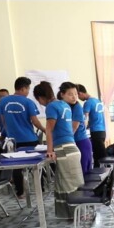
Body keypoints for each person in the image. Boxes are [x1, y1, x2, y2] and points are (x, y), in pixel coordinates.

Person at [36, 81, 84, 219]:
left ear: (41, 97)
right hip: (71, 149)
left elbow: (49, 129)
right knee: (66, 183)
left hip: (64, 150)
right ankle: (72, 215)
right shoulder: (64, 105)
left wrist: (49, 150)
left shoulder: (51, 106)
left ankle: (77, 215)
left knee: (68, 184)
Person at [0, 77, 46, 197]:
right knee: (37, 165)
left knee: (16, 166)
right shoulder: (28, 102)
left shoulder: (3, 101)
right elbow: (35, 121)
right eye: (28, 89)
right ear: (23, 88)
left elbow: (3, 120)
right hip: (29, 139)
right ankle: (40, 189)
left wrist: (8, 131)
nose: (28, 92)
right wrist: (45, 130)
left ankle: (20, 192)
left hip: (12, 140)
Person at [60, 82, 92, 175]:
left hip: (81, 142)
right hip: (74, 142)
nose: (74, 97)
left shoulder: (77, 107)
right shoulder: (64, 107)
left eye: (76, 94)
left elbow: (73, 129)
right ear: (62, 95)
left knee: (83, 175)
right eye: (70, 94)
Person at [77, 84, 107, 167]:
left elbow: (85, 119)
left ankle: (105, 177)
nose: (78, 98)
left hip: (95, 132)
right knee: (98, 155)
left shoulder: (88, 103)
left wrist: (82, 129)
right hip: (102, 131)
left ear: (80, 93)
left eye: (77, 95)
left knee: (99, 157)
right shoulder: (97, 100)